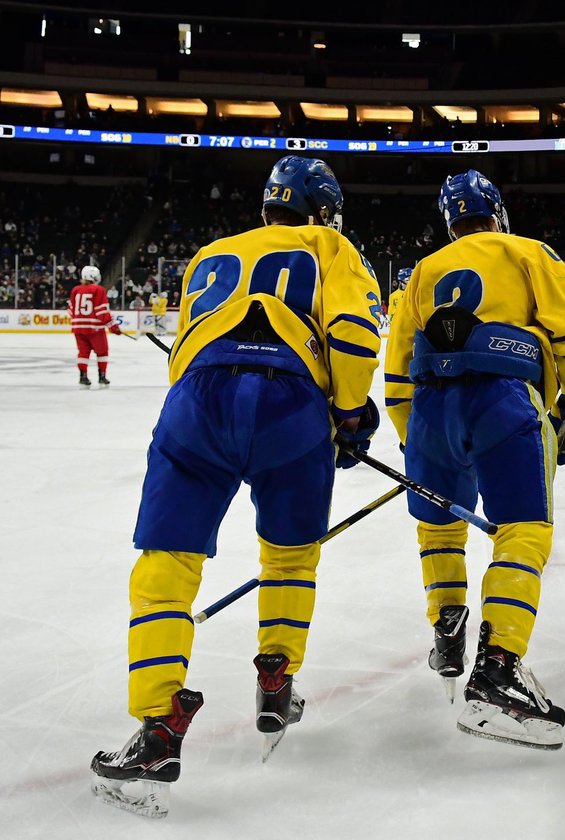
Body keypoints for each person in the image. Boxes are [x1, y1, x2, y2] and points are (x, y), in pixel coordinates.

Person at [91, 156, 382, 817]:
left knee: (167, 561)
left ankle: (159, 727)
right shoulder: (329, 244)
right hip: (291, 408)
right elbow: (355, 334)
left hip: (195, 405)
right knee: (290, 555)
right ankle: (276, 681)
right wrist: (348, 416)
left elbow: (185, 354)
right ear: (323, 211)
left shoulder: (213, 253)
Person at [384, 169, 565, 749]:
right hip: (505, 397)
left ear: (450, 223)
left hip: (430, 405)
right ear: (496, 213)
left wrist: (415, 436)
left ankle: (447, 628)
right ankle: (498, 670)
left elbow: (397, 368)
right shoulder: (528, 251)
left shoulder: (423, 271)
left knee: (440, 522)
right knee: (522, 531)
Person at [68, 265, 122, 388]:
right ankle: (102, 376)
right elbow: (101, 311)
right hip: (95, 328)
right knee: (102, 352)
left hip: (78, 328)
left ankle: (83, 376)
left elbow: (70, 309)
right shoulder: (98, 290)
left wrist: (79, 319)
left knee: (83, 352)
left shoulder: (76, 290)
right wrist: (112, 326)